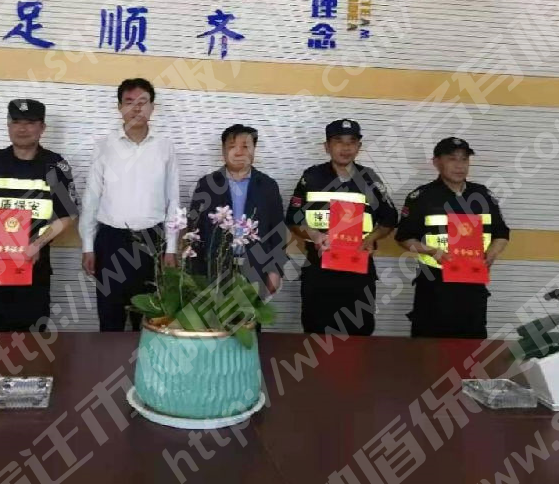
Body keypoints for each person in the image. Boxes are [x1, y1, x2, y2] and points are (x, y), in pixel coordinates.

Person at [0, 99, 78, 332]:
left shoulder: (54, 166)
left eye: (30, 123)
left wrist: (38, 244)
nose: (22, 128)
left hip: (35, 265)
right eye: (16, 122)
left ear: (42, 128)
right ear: (8, 125)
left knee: (31, 335)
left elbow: (67, 216)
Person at [80, 78, 180, 332]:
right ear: (119, 107)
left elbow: (173, 198)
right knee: (110, 317)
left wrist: (171, 247)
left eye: (143, 102)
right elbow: (91, 198)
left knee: (149, 320)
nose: (136, 108)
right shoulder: (104, 146)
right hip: (111, 241)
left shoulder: (165, 147)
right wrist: (88, 246)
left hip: (152, 241)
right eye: (129, 102)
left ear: (152, 107)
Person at [286, 119, 398, 335]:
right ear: (326, 146)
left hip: (359, 269)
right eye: (338, 141)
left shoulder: (369, 179)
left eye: (351, 142)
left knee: (359, 333)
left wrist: (371, 238)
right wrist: (314, 235)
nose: (345, 148)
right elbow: (293, 218)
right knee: (316, 331)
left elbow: (390, 219)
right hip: (319, 267)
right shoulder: (312, 177)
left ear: (359, 147)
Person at [395, 137, 510, 339]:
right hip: (434, 285)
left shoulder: (482, 195)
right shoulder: (422, 197)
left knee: (471, 346)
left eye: (464, 159)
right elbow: (404, 237)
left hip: (473, 286)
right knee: (428, 347)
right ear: (436, 162)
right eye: (452, 159)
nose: (459, 166)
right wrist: (432, 251)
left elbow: (501, 233)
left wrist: (492, 253)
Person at [188, 124, 287, 295]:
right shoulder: (207, 184)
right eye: (232, 147)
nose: (239, 153)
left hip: (256, 268)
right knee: (214, 312)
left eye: (245, 147)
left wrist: (276, 269)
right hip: (214, 269)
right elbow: (194, 228)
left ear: (254, 150)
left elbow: (278, 231)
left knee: (251, 312)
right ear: (223, 151)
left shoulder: (268, 186)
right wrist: (194, 272)